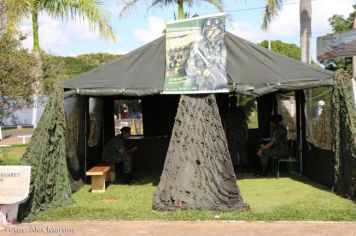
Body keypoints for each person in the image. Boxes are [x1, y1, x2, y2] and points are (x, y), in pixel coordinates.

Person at [185, 17, 227, 91]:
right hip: (204, 90)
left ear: (221, 31)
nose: (212, 33)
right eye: (209, 31)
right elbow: (189, 70)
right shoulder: (197, 47)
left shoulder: (227, 46)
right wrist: (201, 71)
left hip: (224, 89)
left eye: (215, 30)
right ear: (205, 32)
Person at [223, 96, 249, 171]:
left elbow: (225, 126)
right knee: (242, 151)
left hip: (232, 135)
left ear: (229, 102)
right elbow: (245, 125)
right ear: (236, 102)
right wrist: (247, 134)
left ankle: (235, 168)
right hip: (241, 134)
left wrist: (226, 137)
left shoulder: (226, 113)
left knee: (233, 151)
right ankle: (244, 167)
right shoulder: (240, 112)